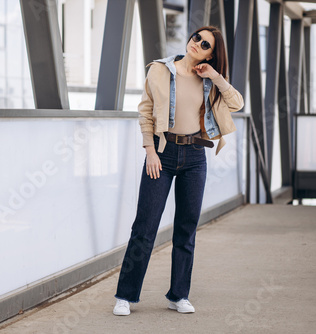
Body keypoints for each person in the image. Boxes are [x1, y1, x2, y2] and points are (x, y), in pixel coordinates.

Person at [112, 26, 244, 316]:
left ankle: (178, 295)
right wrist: (150, 151)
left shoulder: (209, 79)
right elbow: (145, 111)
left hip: (196, 156)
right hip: (162, 152)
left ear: (212, 53)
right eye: (196, 37)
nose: (197, 43)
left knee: (187, 228)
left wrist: (215, 76)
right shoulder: (160, 70)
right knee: (144, 228)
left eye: (206, 44)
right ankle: (126, 295)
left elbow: (237, 103)